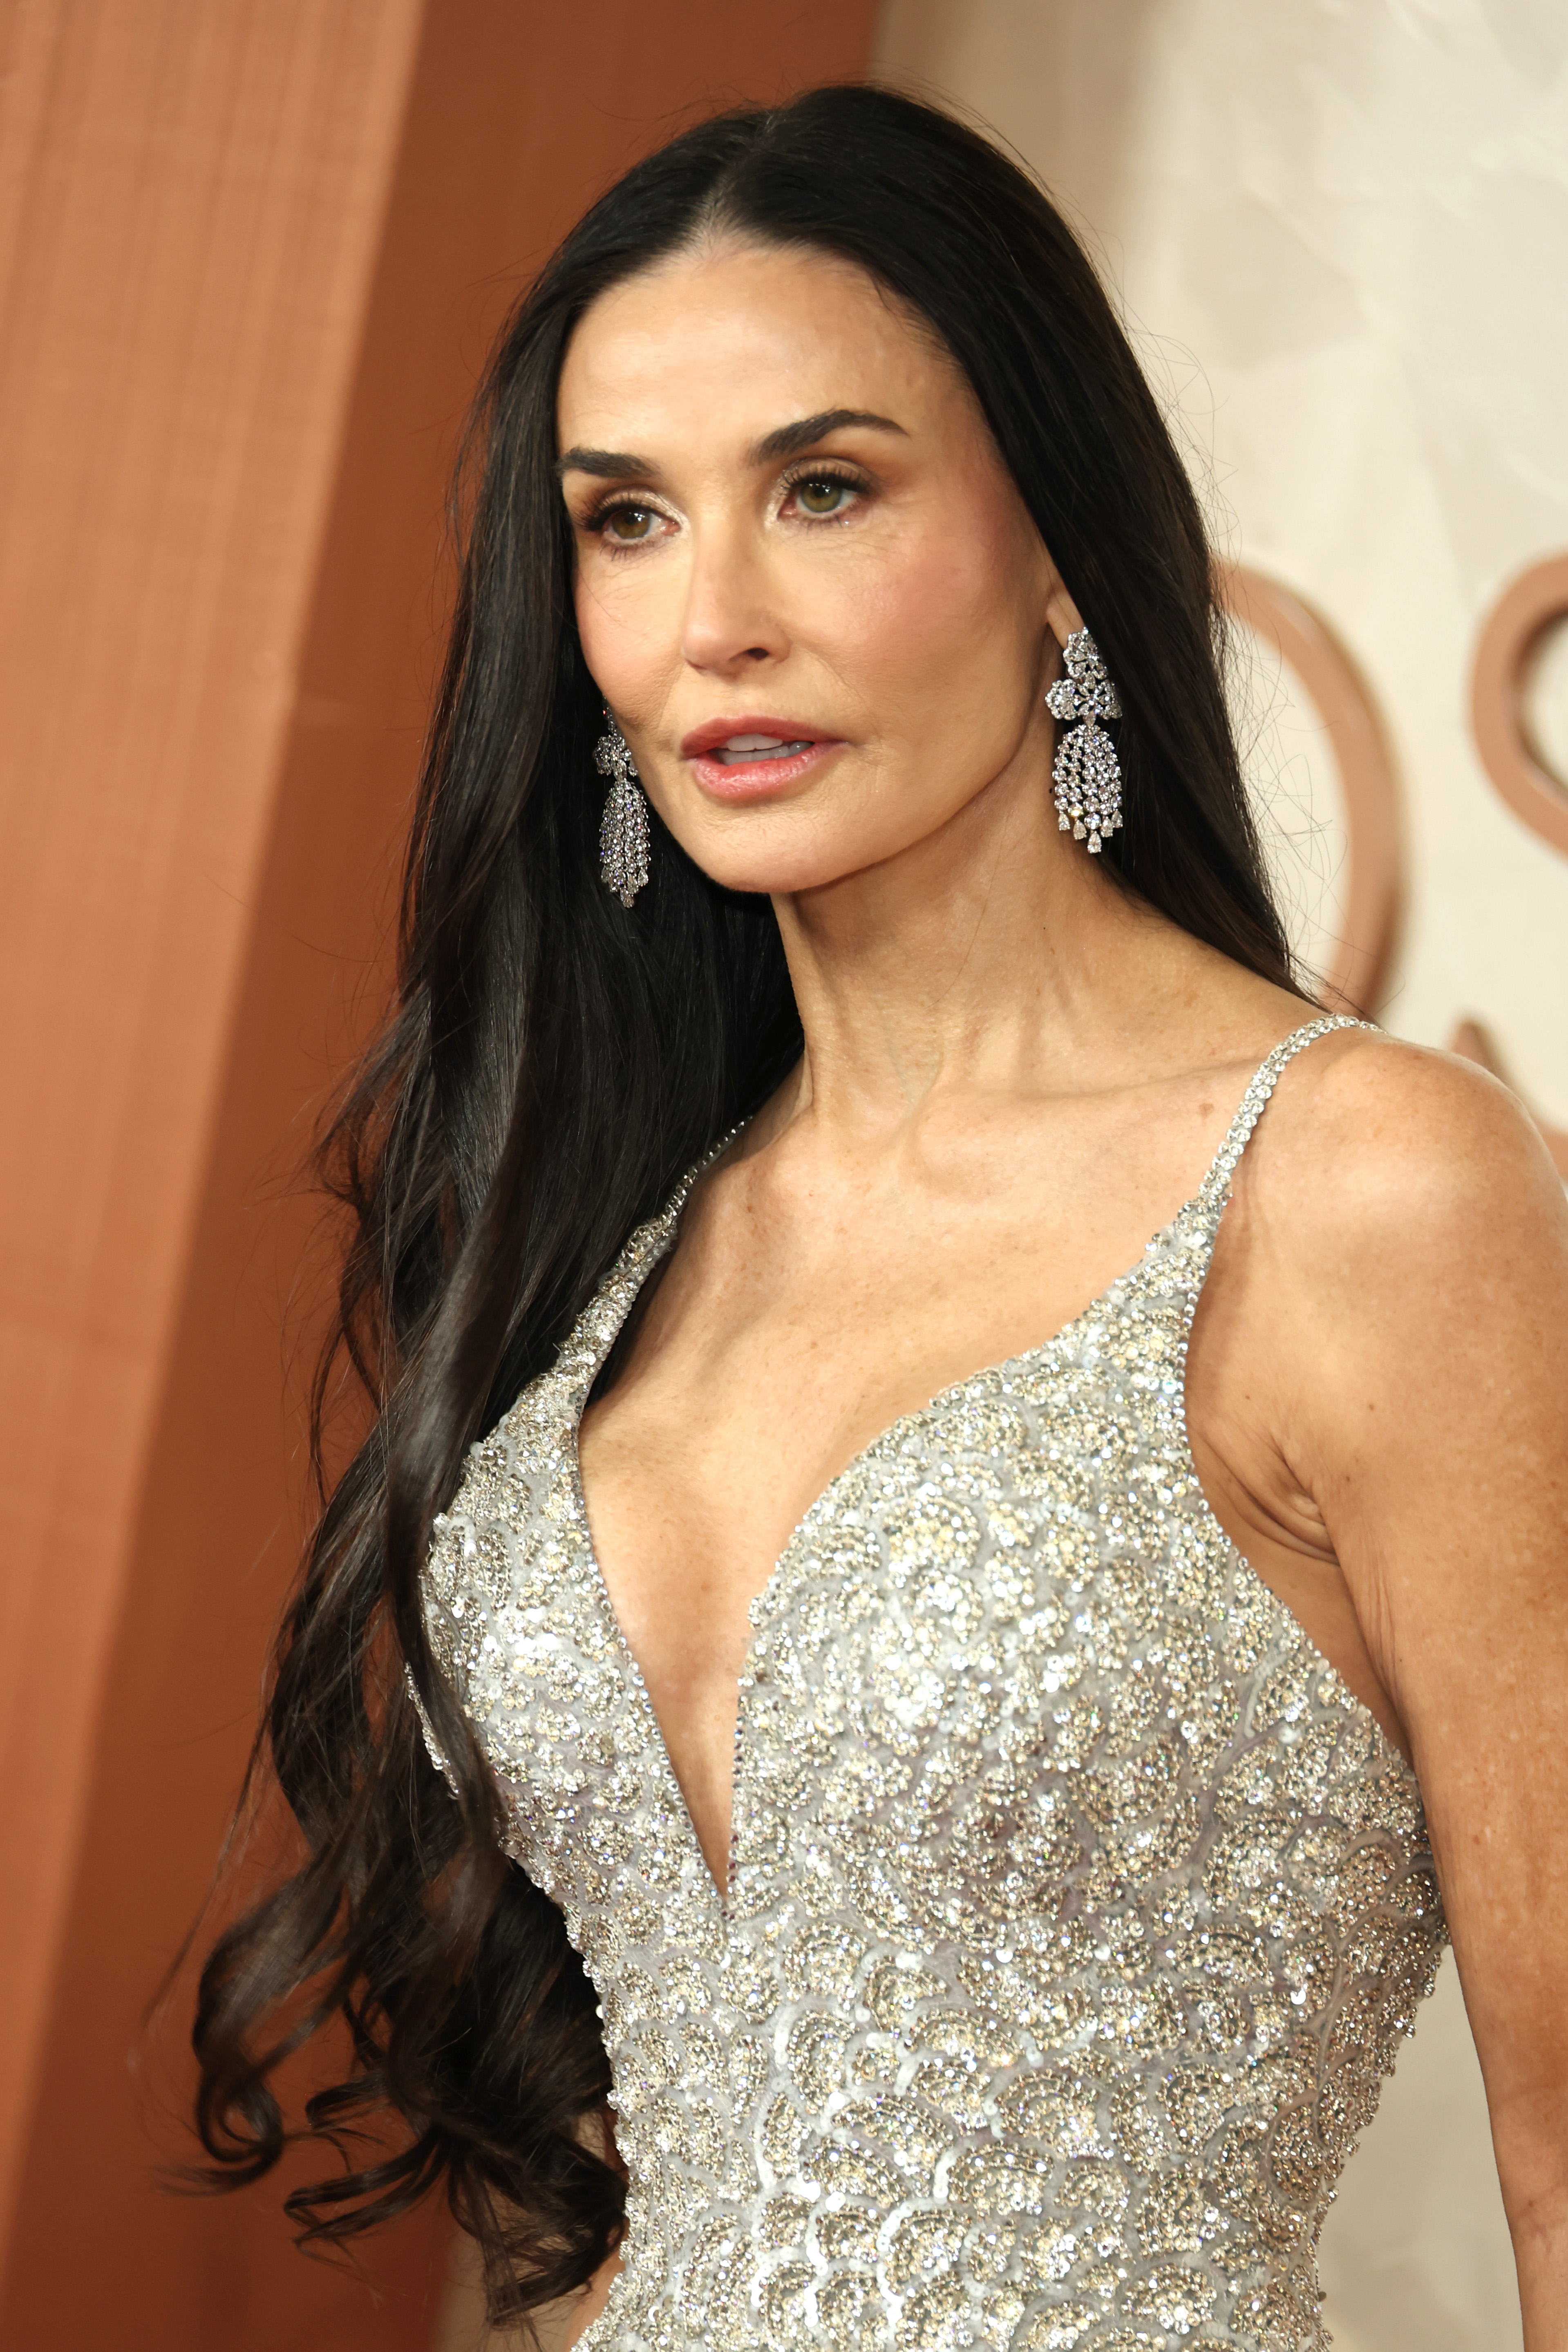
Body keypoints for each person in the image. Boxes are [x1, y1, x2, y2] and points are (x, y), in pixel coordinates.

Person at [192, 83, 1568, 2352]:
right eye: (625, 520)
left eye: (824, 490)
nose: (712, 617)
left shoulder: (1359, 1186)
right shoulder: (616, 1230)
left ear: (1056, 542)